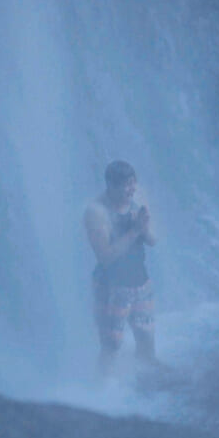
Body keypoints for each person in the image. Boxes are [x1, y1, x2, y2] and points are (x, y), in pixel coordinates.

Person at [83, 160, 157, 375]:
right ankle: (99, 395)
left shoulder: (137, 198)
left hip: (141, 283)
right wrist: (134, 231)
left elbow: (153, 240)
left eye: (133, 183)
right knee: (111, 347)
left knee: (146, 341)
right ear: (110, 185)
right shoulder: (96, 211)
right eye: (126, 185)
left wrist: (143, 228)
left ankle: (148, 387)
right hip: (112, 288)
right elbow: (105, 257)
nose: (131, 189)